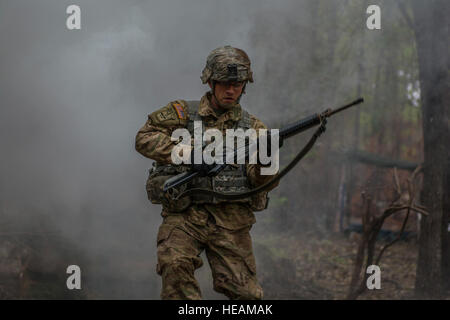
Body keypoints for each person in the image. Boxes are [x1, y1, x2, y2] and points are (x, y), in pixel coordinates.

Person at [135, 45, 279, 300]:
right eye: (224, 83)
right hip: (186, 214)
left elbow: (260, 182)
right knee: (175, 266)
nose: (231, 90)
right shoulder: (182, 113)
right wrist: (187, 153)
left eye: (237, 84)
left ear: (245, 86)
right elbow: (144, 137)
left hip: (231, 222)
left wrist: (268, 159)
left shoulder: (255, 128)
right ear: (211, 81)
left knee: (247, 295)